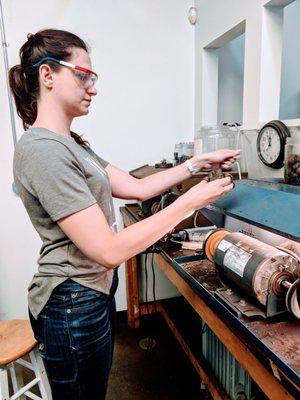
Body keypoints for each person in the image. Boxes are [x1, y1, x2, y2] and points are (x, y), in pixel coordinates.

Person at [9, 29, 240, 400]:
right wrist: (190, 202)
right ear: (47, 75)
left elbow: (137, 187)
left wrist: (196, 163)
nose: (93, 87)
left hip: (93, 290)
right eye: (82, 75)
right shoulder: (42, 151)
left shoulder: (72, 145)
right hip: (71, 301)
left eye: (93, 78)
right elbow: (109, 250)